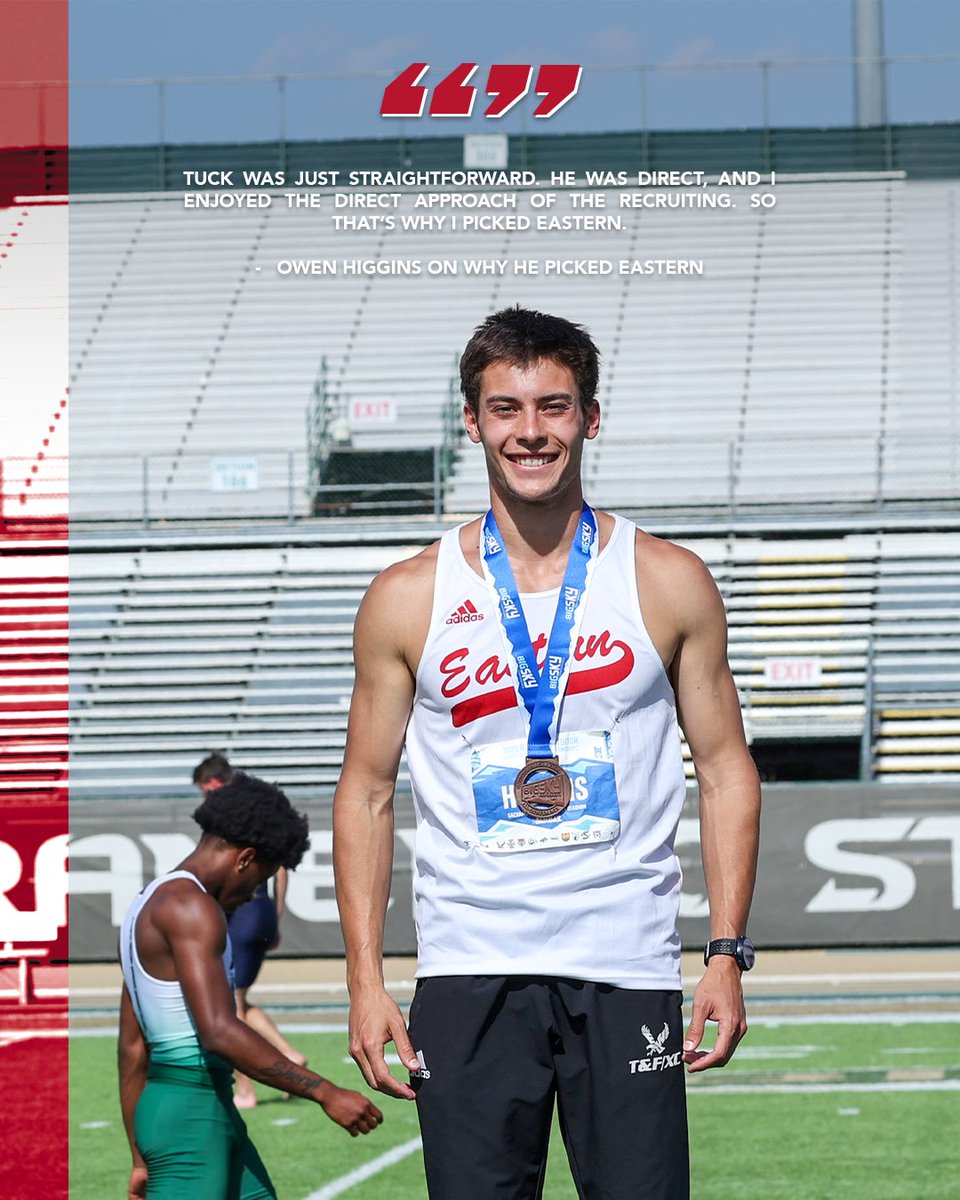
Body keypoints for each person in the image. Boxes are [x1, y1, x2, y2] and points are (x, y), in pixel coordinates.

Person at [333, 306, 761, 1200]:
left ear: (591, 417)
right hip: (468, 970)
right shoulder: (407, 596)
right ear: (472, 421)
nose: (531, 432)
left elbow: (725, 770)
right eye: (506, 409)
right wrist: (365, 982)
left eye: (555, 407)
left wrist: (725, 952)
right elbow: (366, 792)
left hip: (626, 964)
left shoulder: (667, 578)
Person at [119, 773, 382, 1200]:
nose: (252, 895)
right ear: (244, 858)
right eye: (262, 877)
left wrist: (137, 1153)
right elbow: (219, 1029)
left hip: (193, 1109)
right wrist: (325, 1091)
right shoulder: (193, 907)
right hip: (190, 1117)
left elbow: (131, 1047)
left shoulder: (147, 901)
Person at [192, 754, 306, 1108]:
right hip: (259, 912)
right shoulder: (253, 813)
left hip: (244, 911)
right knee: (238, 998)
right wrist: (276, 914)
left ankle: (246, 1088)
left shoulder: (234, 818)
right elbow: (282, 866)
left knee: (229, 1007)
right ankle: (289, 1055)